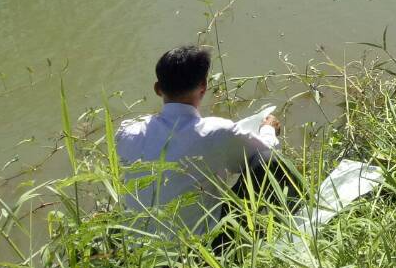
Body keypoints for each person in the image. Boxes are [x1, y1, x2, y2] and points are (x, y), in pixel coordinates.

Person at [115, 45, 282, 238]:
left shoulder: (128, 131)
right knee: (269, 160)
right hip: (195, 248)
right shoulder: (215, 132)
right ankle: (297, 218)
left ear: (158, 89)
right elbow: (265, 150)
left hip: (141, 249)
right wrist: (269, 128)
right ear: (203, 86)